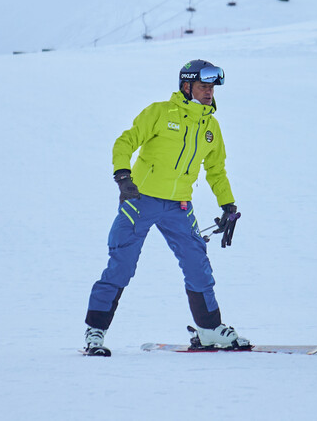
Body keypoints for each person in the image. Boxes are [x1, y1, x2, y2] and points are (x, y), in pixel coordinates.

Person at [82, 60, 247, 356]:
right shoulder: (159, 113)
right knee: (121, 265)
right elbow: (125, 141)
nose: (209, 93)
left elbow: (216, 170)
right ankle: (96, 331)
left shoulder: (210, 127)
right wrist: (123, 176)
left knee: (198, 265)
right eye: (202, 87)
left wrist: (228, 205)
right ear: (186, 87)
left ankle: (209, 329)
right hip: (140, 201)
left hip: (179, 207)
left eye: (211, 88)